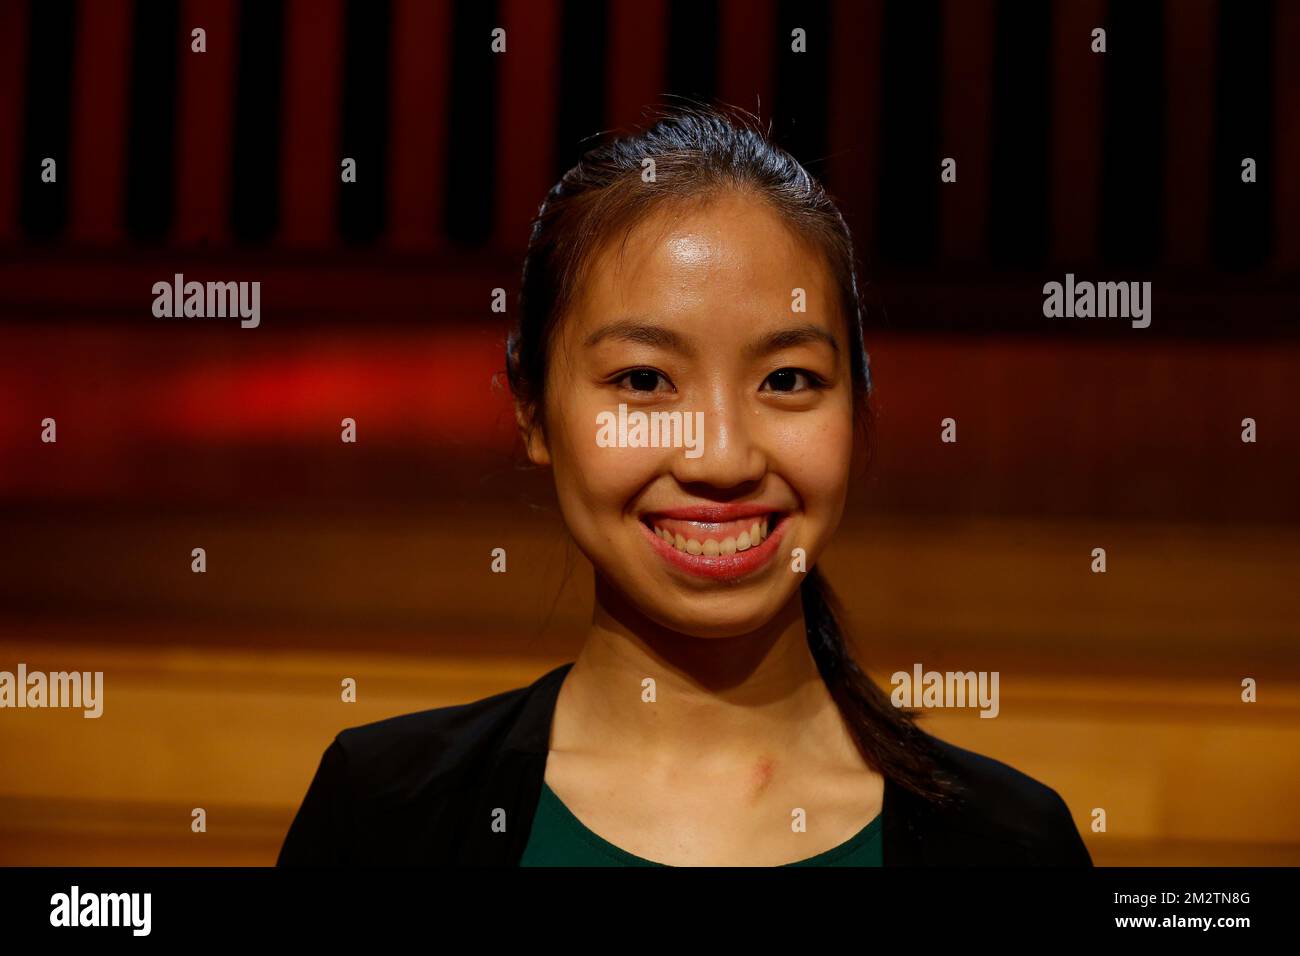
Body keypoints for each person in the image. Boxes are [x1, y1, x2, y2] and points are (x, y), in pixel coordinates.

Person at [278, 103, 1092, 867]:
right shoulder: (385, 817)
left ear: (859, 407)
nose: (720, 457)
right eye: (643, 379)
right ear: (532, 411)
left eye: (787, 379)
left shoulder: (1008, 847)